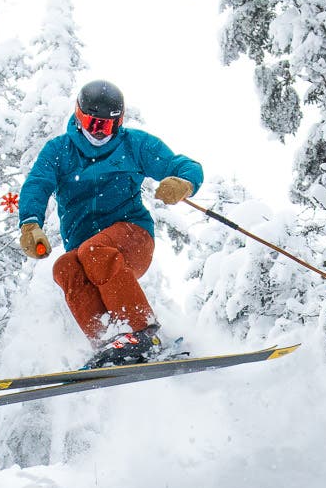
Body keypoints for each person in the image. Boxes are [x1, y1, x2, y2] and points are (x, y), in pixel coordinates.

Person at [17, 79, 203, 367]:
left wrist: (183, 181)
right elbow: (37, 184)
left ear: (119, 123)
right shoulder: (59, 151)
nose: (98, 133)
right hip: (88, 254)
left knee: (95, 251)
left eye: (107, 126)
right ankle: (110, 340)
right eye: (92, 124)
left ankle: (143, 333)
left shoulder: (134, 145)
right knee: (65, 267)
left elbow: (184, 165)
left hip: (132, 238)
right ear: (78, 116)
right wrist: (30, 222)